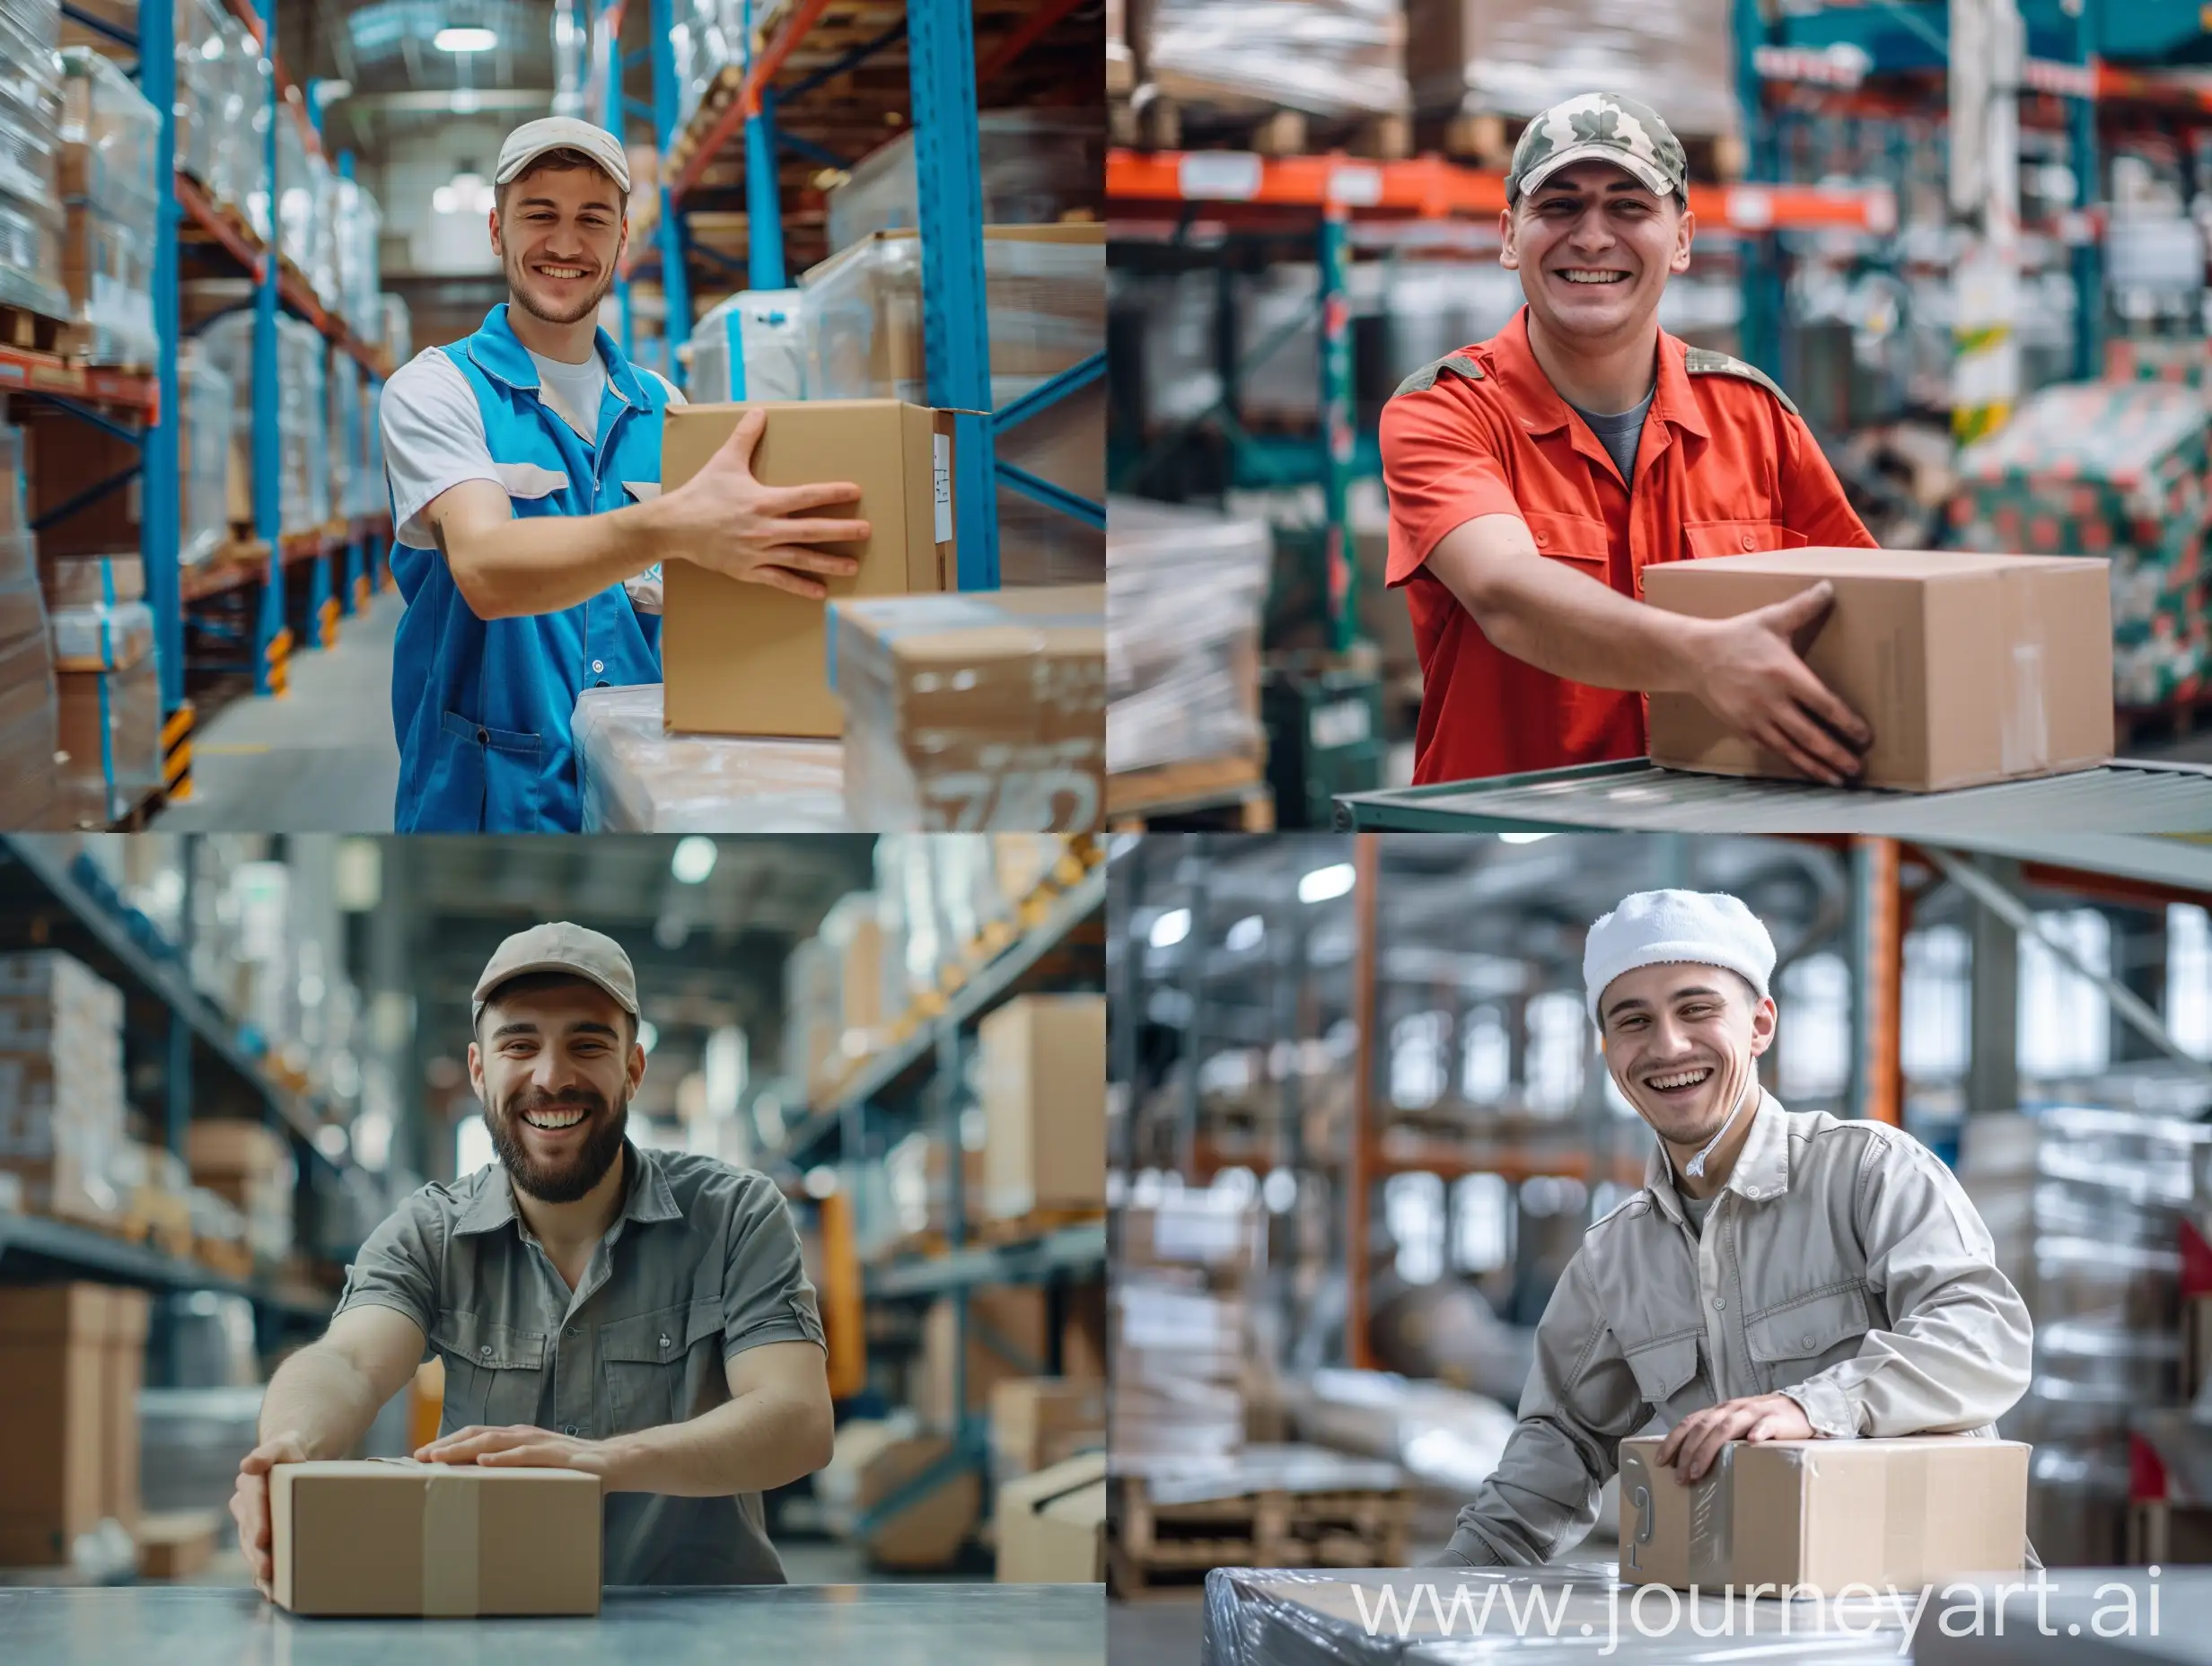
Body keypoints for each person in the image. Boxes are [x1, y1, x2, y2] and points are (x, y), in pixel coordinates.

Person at [227, 922, 834, 1594]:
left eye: (588, 1044)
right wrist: (289, 1446)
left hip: (708, 1627)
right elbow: (345, 1361)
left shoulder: (735, 1215)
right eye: (520, 1045)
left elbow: (797, 1419)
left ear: (632, 1070)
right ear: (479, 1070)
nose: (552, 1077)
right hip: (499, 1617)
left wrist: (603, 1462)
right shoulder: (430, 1232)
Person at [1433, 888, 2032, 1568]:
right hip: (1764, 1609)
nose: (1667, 1045)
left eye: (1697, 1009)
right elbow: (1556, 1451)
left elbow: (1984, 1337)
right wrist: (1405, 1608)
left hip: (1941, 1612)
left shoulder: (1868, 1171)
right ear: (1607, 1052)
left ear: (1760, 1024)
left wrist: (1816, 1407)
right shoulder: (1614, 1260)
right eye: (1634, 1021)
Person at [378, 116, 872, 832]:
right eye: (539, 215)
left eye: (593, 219)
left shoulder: (662, 406)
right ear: (496, 230)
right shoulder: (438, 390)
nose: (566, 243)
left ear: (622, 241)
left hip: (635, 793)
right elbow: (487, 570)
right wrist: (675, 524)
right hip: (491, 806)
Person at [1380, 92, 1884, 791]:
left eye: (1628, 206)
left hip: (1724, 829)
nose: (1591, 237)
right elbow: (1504, 592)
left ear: (1681, 239)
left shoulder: (1755, 418)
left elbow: (1866, 610)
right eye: (1558, 206)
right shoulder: (1445, 412)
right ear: (1507, 236)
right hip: (1514, 838)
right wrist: (1704, 657)